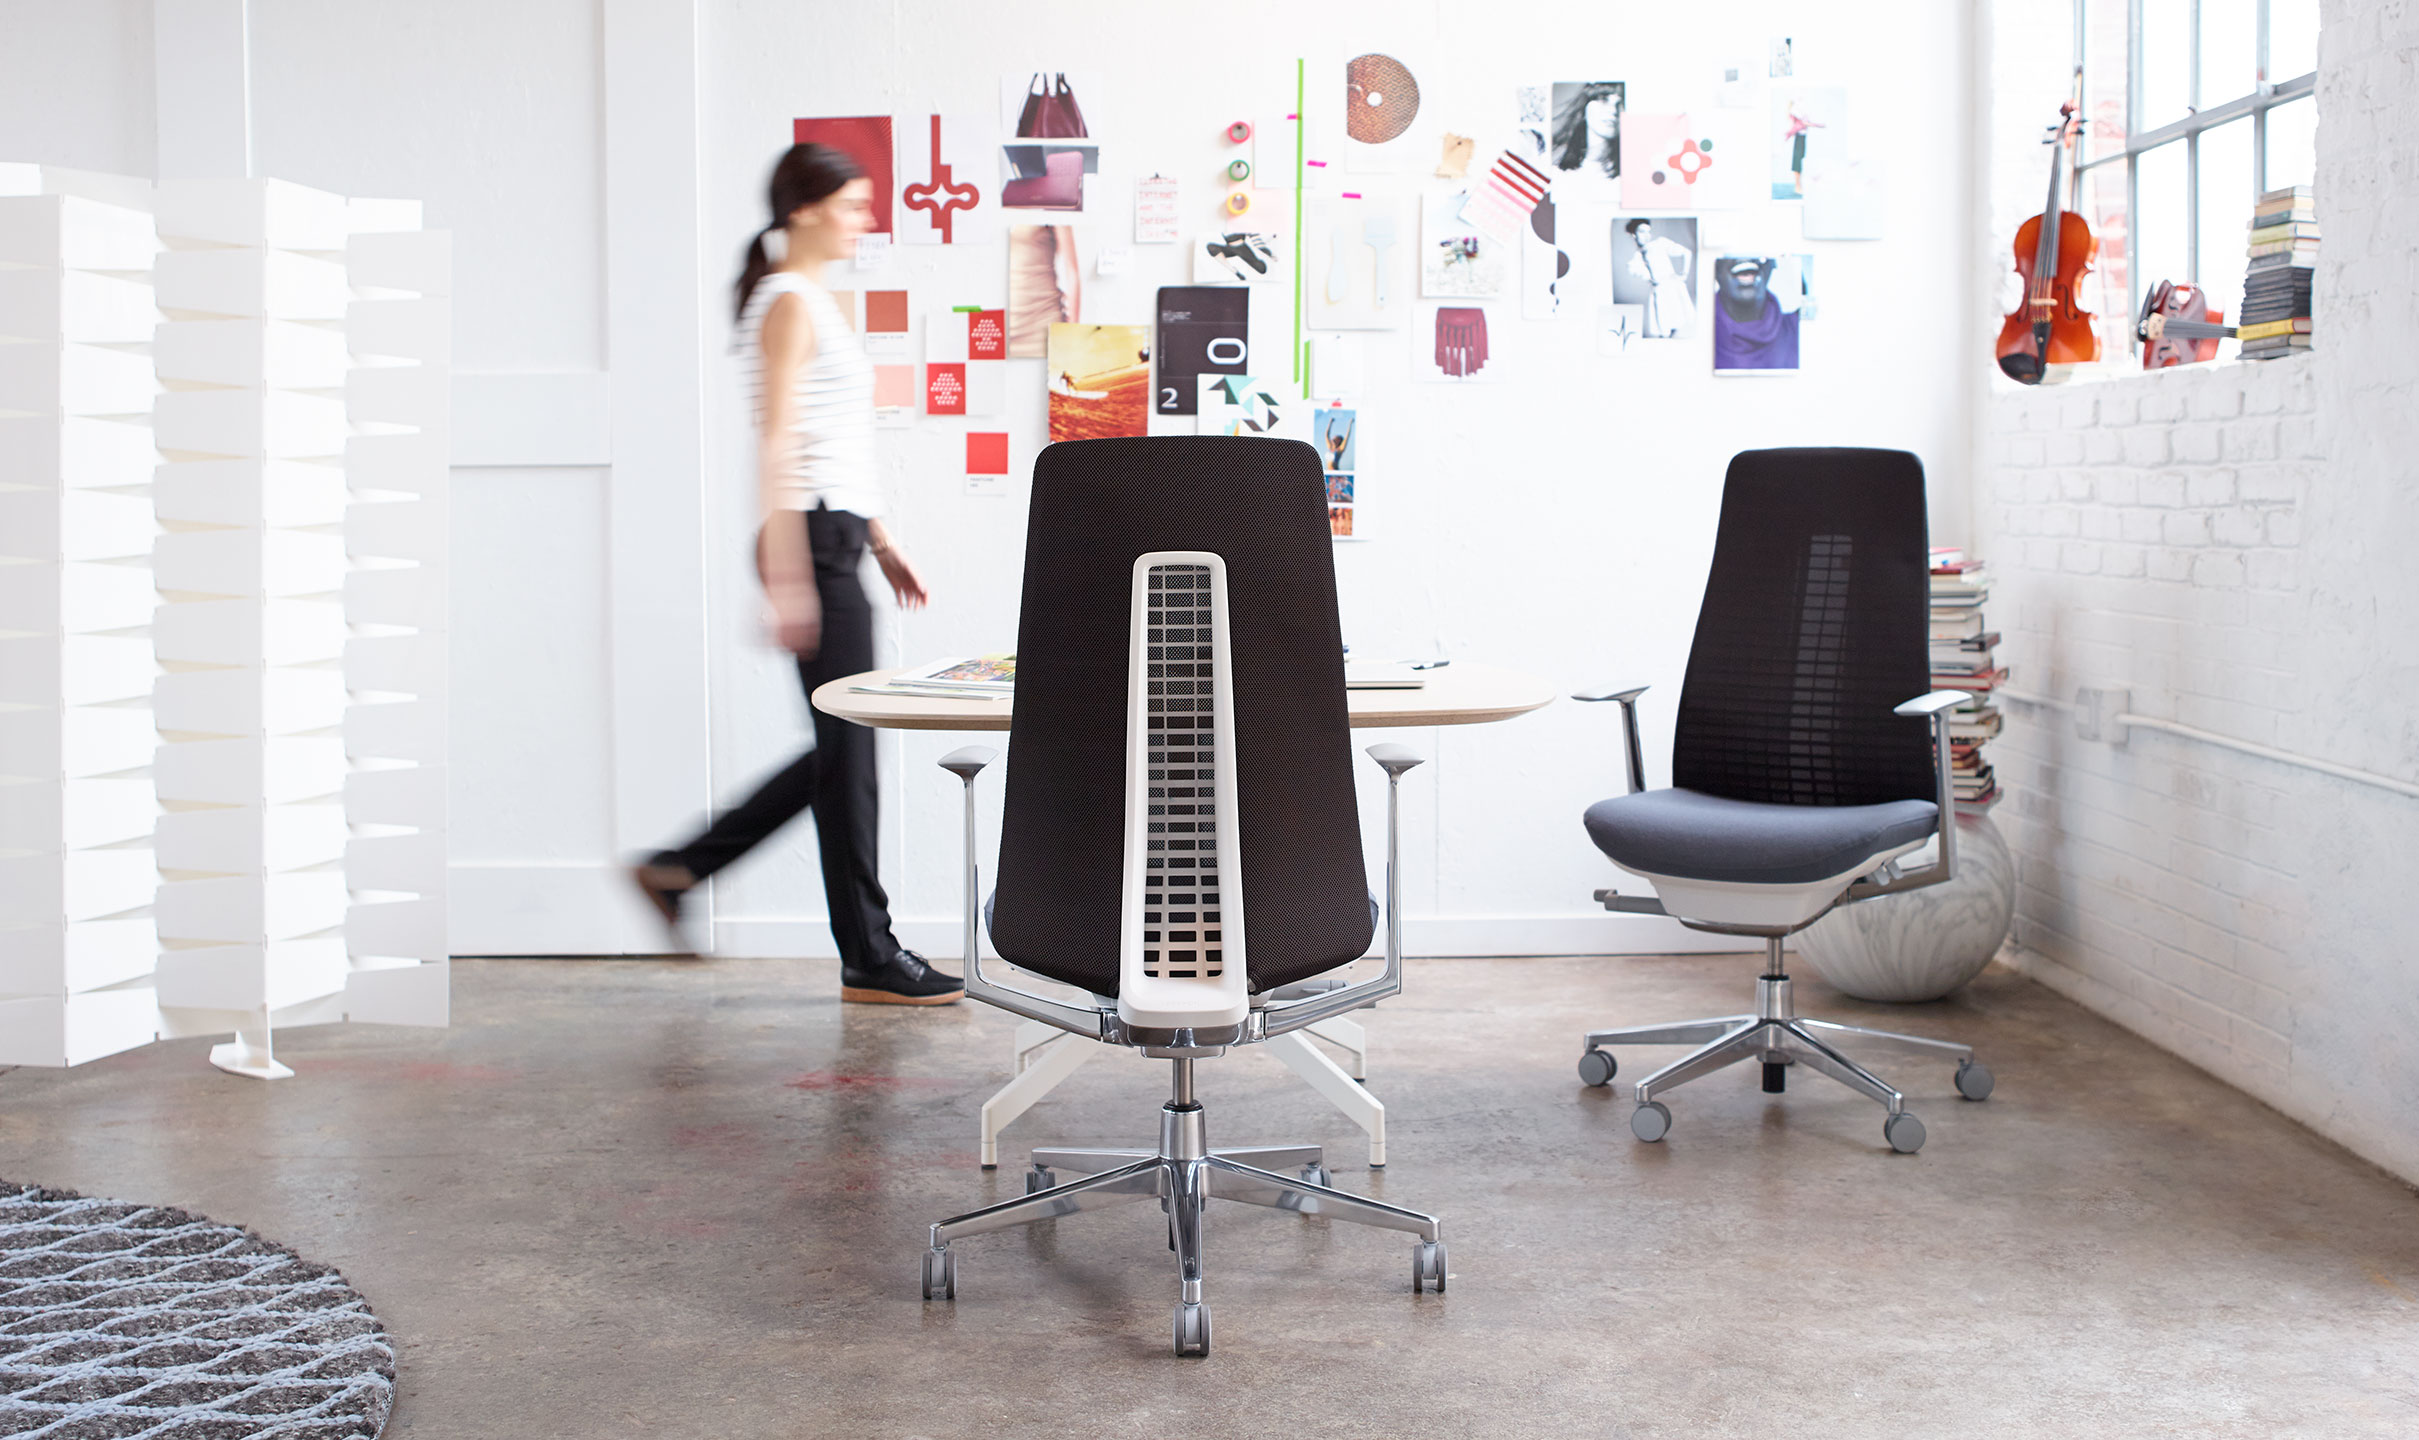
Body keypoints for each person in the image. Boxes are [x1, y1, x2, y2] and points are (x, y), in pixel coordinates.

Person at [631, 143, 961, 1005]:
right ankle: (868, 954)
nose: (866, 220)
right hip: (807, 536)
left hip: (834, 530)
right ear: (806, 209)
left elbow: (835, 444)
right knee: (847, 748)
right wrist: (785, 575)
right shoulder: (787, 302)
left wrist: (882, 542)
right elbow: (776, 444)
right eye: (854, 205)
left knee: (840, 747)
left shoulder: (811, 299)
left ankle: (680, 869)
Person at [1625, 218, 1695, 337]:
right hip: (1659, 292)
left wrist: (1684, 274)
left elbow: (1686, 252)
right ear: (1634, 234)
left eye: (1648, 231)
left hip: (1672, 288)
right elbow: (1634, 269)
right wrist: (1649, 278)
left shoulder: (1660, 243)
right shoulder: (1637, 256)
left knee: (1675, 326)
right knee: (1662, 329)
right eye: (1642, 232)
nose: (1647, 236)